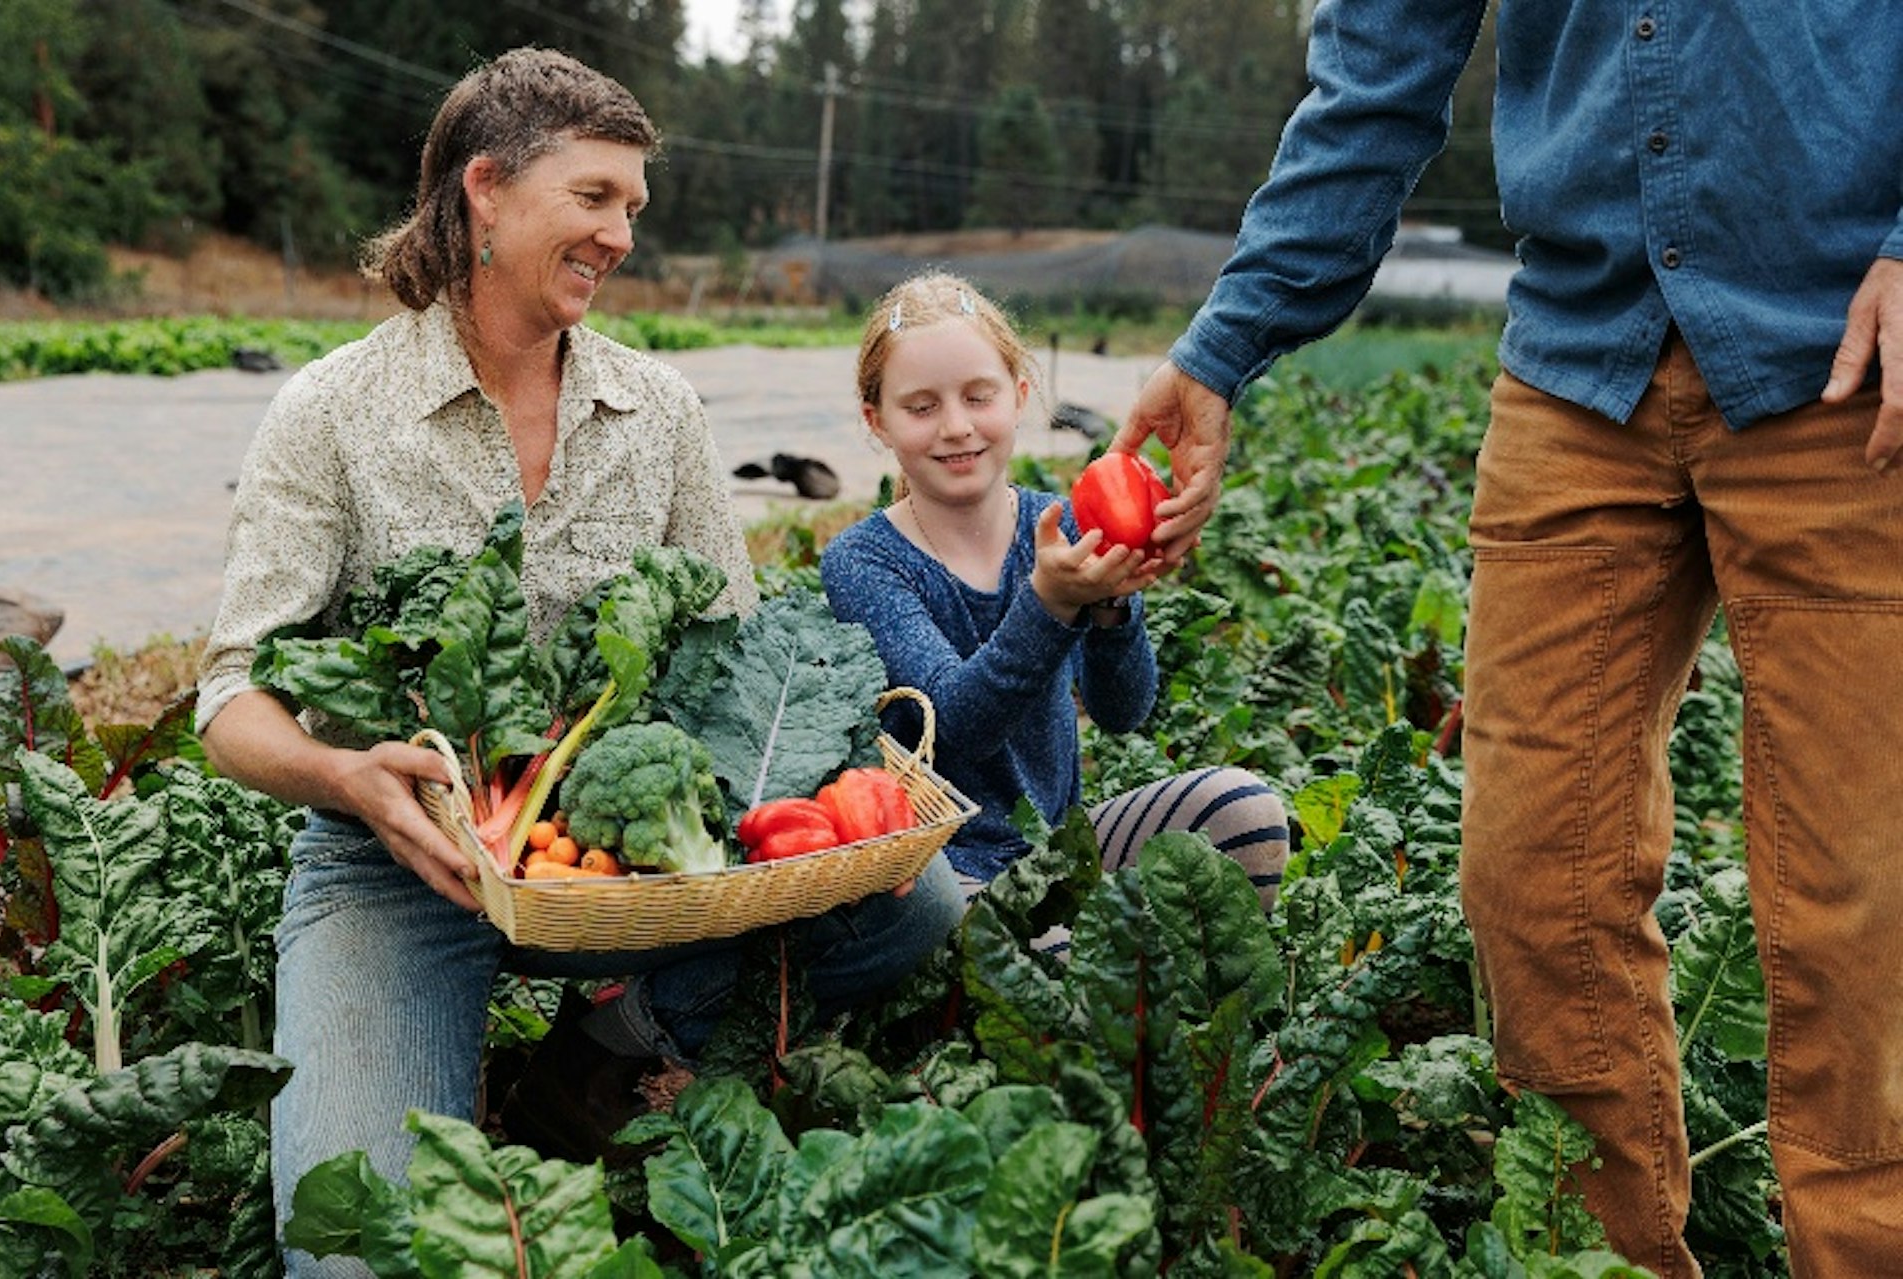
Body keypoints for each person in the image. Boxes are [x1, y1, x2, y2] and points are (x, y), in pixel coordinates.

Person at [1112, 5, 1903, 1274]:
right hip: (1582, 360)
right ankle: (1606, 1256)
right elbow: (1375, 76)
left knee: (1858, 907)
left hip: (1850, 358)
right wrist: (1226, 343)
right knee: (1536, 881)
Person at [193, 49, 963, 1277]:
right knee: (353, 1253)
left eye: (633, 207)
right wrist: (349, 780)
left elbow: (737, 648)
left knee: (914, 902)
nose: (621, 235)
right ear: (486, 191)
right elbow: (231, 697)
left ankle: (604, 1051)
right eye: (594, 197)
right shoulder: (332, 412)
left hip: (619, 856)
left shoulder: (660, 411)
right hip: (404, 861)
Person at [820, 272, 1291, 932]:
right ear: (879, 422)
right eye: (921, 407)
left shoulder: (1066, 523)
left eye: (978, 396)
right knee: (988, 927)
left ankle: (1109, 955)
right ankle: (1096, 956)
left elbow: (1124, 711)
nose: (956, 426)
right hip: (943, 869)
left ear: (1018, 396)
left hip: (1058, 850)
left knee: (1246, 811)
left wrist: (1113, 607)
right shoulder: (863, 561)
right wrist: (1049, 603)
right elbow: (958, 726)